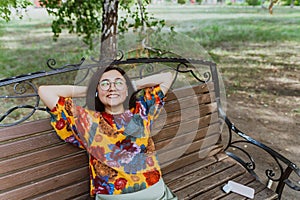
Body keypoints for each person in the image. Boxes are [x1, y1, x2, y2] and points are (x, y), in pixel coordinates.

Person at [38, 65, 177, 200]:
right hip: (114, 196)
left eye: (118, 83)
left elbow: (167, 77)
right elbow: (45, 91)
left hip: (154, 191)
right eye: (105, 83)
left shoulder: (142, 110)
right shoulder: (86, 120)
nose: (112, 87)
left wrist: (132, 85)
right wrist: (93, 90)